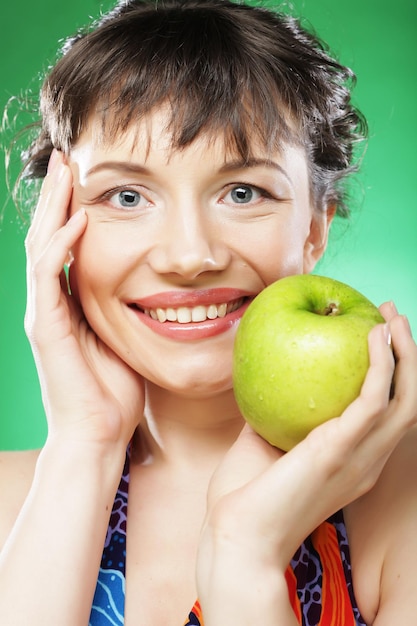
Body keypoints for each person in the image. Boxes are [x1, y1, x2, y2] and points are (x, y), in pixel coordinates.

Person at [0, 1, 416, 624]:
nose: (189, 256)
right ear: (58, 229)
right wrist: (84, 446)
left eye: (242, 192)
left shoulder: (398, 498)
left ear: (314, 228)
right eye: (127, 195)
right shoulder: (12, 501)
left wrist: (245, 557)